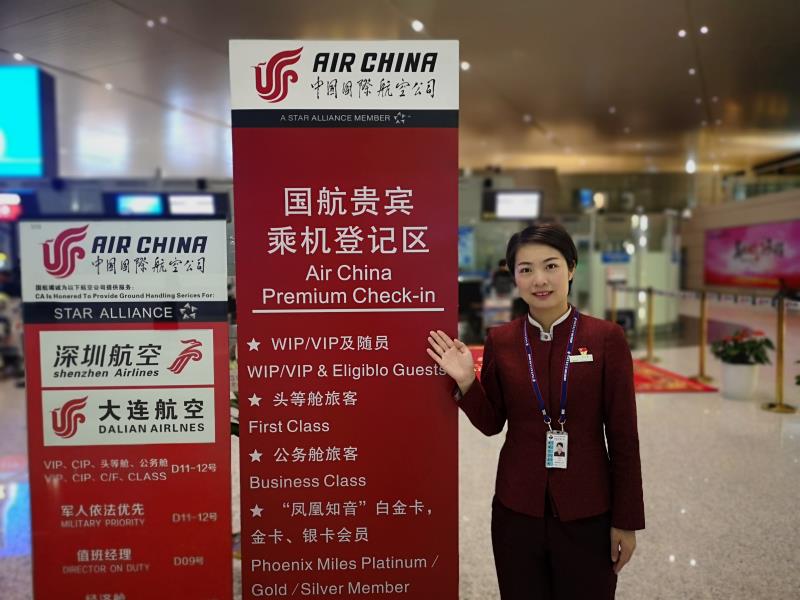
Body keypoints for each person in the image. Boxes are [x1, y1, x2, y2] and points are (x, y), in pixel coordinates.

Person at [427, 222, 644, 600]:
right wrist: (467, 382)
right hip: (516, 509)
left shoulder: (605, 338)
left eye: (551, 266)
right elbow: (492, 423)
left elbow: (623, 436)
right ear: (514, 277)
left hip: (589, 509)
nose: (539, 279)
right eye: (525, 269)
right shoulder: (502, 340)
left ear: (571, 268)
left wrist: (626, 521)